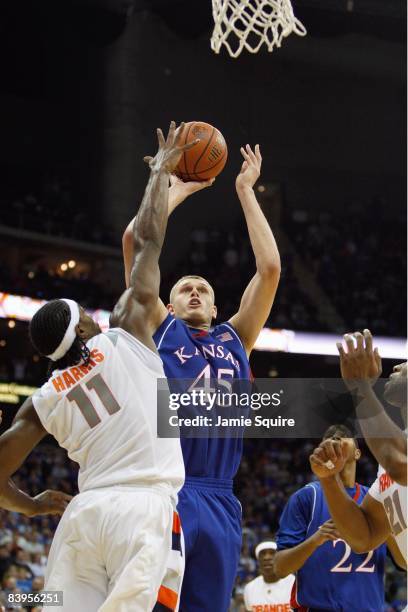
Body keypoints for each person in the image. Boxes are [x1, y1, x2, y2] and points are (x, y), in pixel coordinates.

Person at [0, 122, 196, 611]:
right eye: (87, 315)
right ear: (85, 330)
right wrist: (160, 173)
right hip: (144, 511)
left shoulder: (42, 401)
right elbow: (148, 241)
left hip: (84, 518)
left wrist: (30, 504)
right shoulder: (125, 331)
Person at [123, 143, 281, 611]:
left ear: (215, 308)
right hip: (168, 488)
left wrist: (244, 191)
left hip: (221, 498)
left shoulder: (236, 340)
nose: (195, 291)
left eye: (204, 289)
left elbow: (269, 269)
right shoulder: (159, 329)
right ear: (169, 305)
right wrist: (174, 190)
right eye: (185, 288)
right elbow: (136, 241)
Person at [310, 334, 407, 567]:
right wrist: (329, 479)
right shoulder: (390, 455)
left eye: (406, 362)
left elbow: (399, 462)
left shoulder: (394, 456)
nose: (396, 365)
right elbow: (365, 536)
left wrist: (361, 385)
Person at [275, 425, 390, 612]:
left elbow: (402, 561)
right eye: (329, 437)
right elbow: (280, 567)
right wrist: (315, 540)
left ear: (358, 453)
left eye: (343, 436)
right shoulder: (307, 497)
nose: (335, 439)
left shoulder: (376, 501)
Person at [243, 541, 294, 612]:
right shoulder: (249, 588)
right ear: (258, 560)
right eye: (263, 554)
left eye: (272, 553)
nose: (267, 557)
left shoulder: (294, 583)